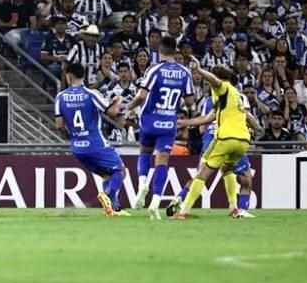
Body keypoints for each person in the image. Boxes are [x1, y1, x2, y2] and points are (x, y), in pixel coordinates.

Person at [173, 60, 255, 220]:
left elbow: (216, 82)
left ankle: (183, 210)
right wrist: (185, 123)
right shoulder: (233, 97)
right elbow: (208, 118)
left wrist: (199, 70)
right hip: (242, 141)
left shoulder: (223, 89)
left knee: (203, 173)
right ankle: (235, 208)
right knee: (229, 171)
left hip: (225, 138)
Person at [125, 36, 194, 219]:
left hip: (149, 119)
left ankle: (142, 185)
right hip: (169, 122)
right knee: (162, 162)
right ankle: (155, 202)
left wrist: (129, 107)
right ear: (175, 51)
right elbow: (189, 101)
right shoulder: (184, 72)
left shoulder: (154, 69)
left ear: (159, 51)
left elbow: (141, 95)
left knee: (145, 152)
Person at [54, 63, 130, 217]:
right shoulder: (91, 94)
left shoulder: (60, 97)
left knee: (106, 175)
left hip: (77, 148)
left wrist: (73, 138)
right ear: (82, 76)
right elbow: (112, 112)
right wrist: (119, 99)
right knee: (120, 171)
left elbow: (59, 126)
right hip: (96, 144)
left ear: (69, 76)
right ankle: (107, 194)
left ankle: (114, 210)